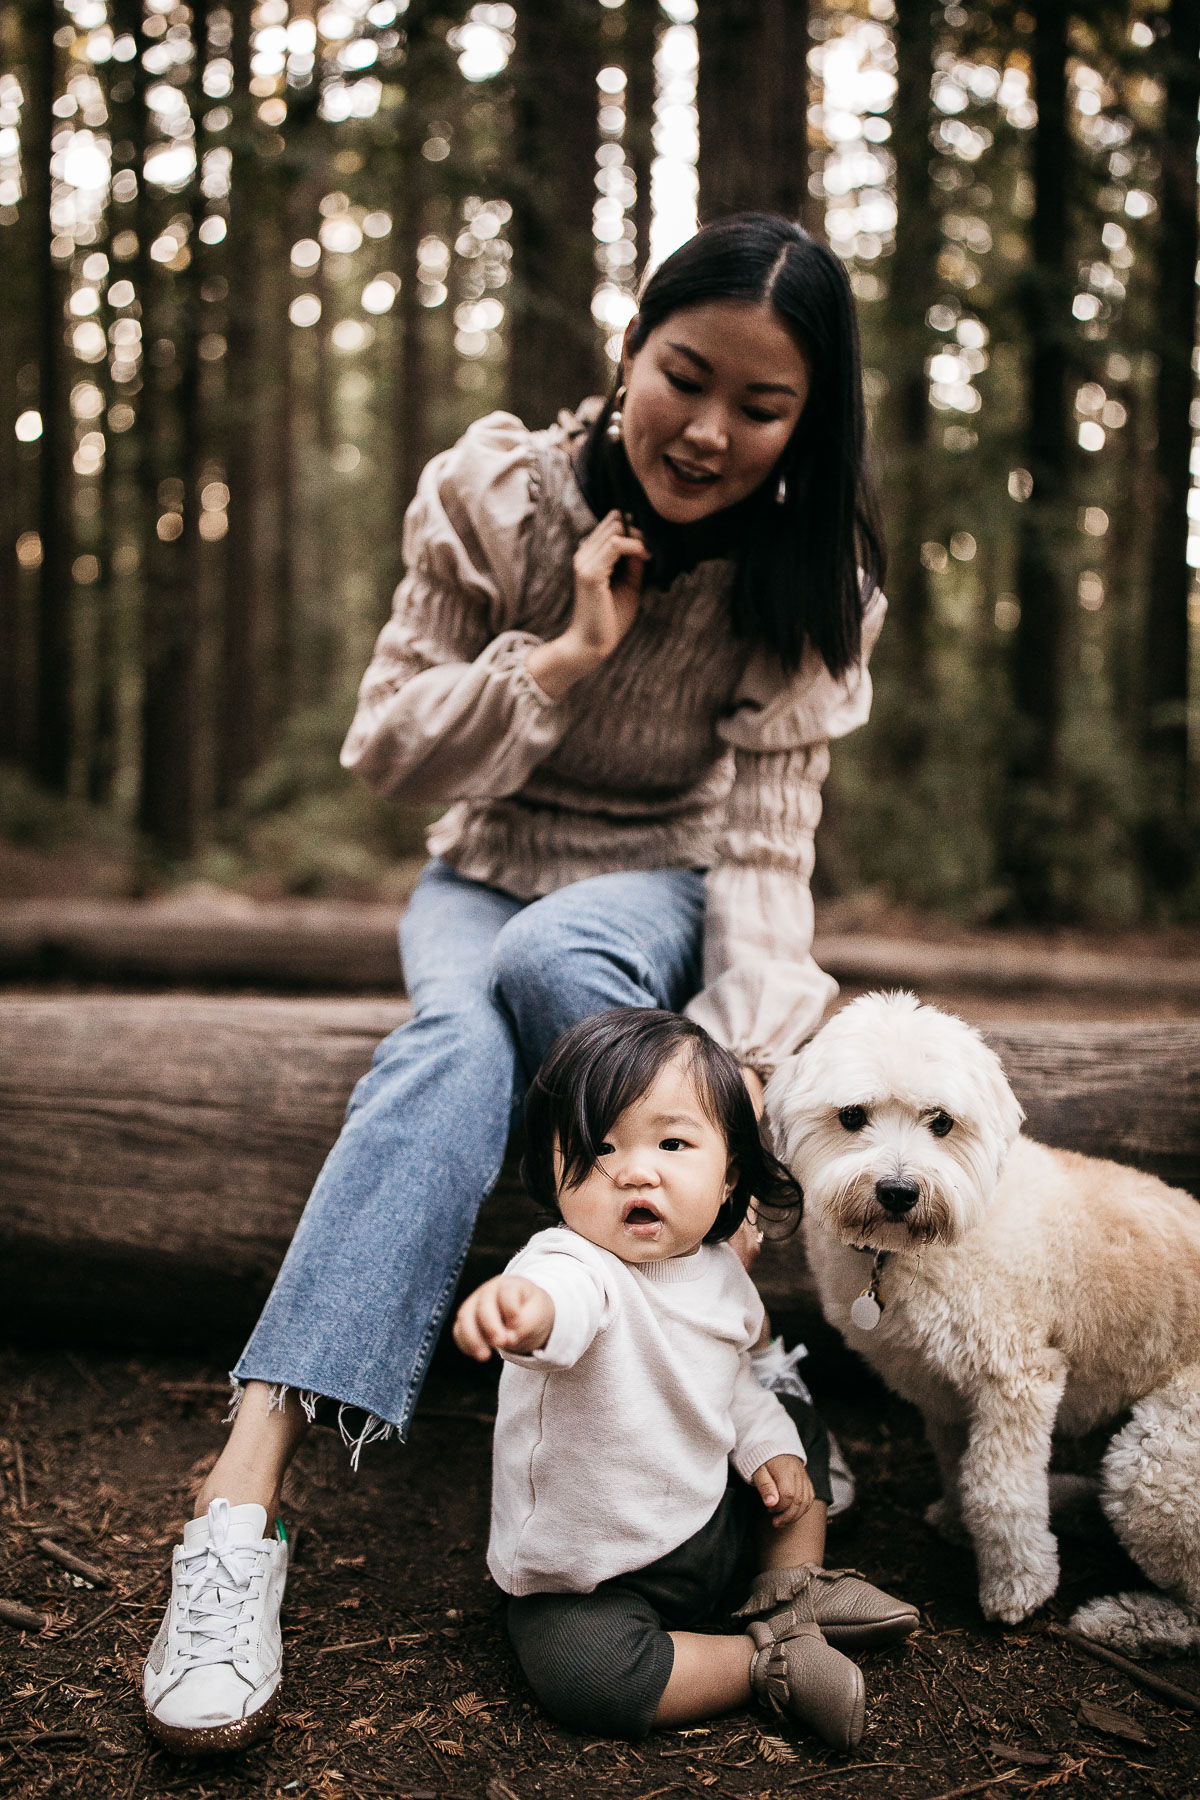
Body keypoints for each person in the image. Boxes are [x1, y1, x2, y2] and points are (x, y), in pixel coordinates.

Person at [142, 211, 887, 1753]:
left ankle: (726, 1338)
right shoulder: (494, 498)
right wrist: (555, 658)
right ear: (628, 352)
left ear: (808, 423)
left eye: (764, 406)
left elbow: (760, 853)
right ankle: (239, 1513)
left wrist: (740, 1073)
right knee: (452, 1054)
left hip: (659, 885)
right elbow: (385, 749)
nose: (711, 430)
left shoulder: (807, 579)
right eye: (685, 377)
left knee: (550, 961)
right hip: (480, 868)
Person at [454, 1009, 919, 1747]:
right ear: (555, 1168)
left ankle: (793, 1588)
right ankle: (765, 1659)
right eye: (600, 1148)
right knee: (585, 1674)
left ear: (728, 1171)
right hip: (597, 1580)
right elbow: (562, 1308)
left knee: (790, 1428)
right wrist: (525, 1309)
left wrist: (769, 1451)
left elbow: (732, 1383)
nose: (637, 1169)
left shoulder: (720, 1274)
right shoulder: (573, 1265)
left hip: (706, 1523)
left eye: (672, 1143)